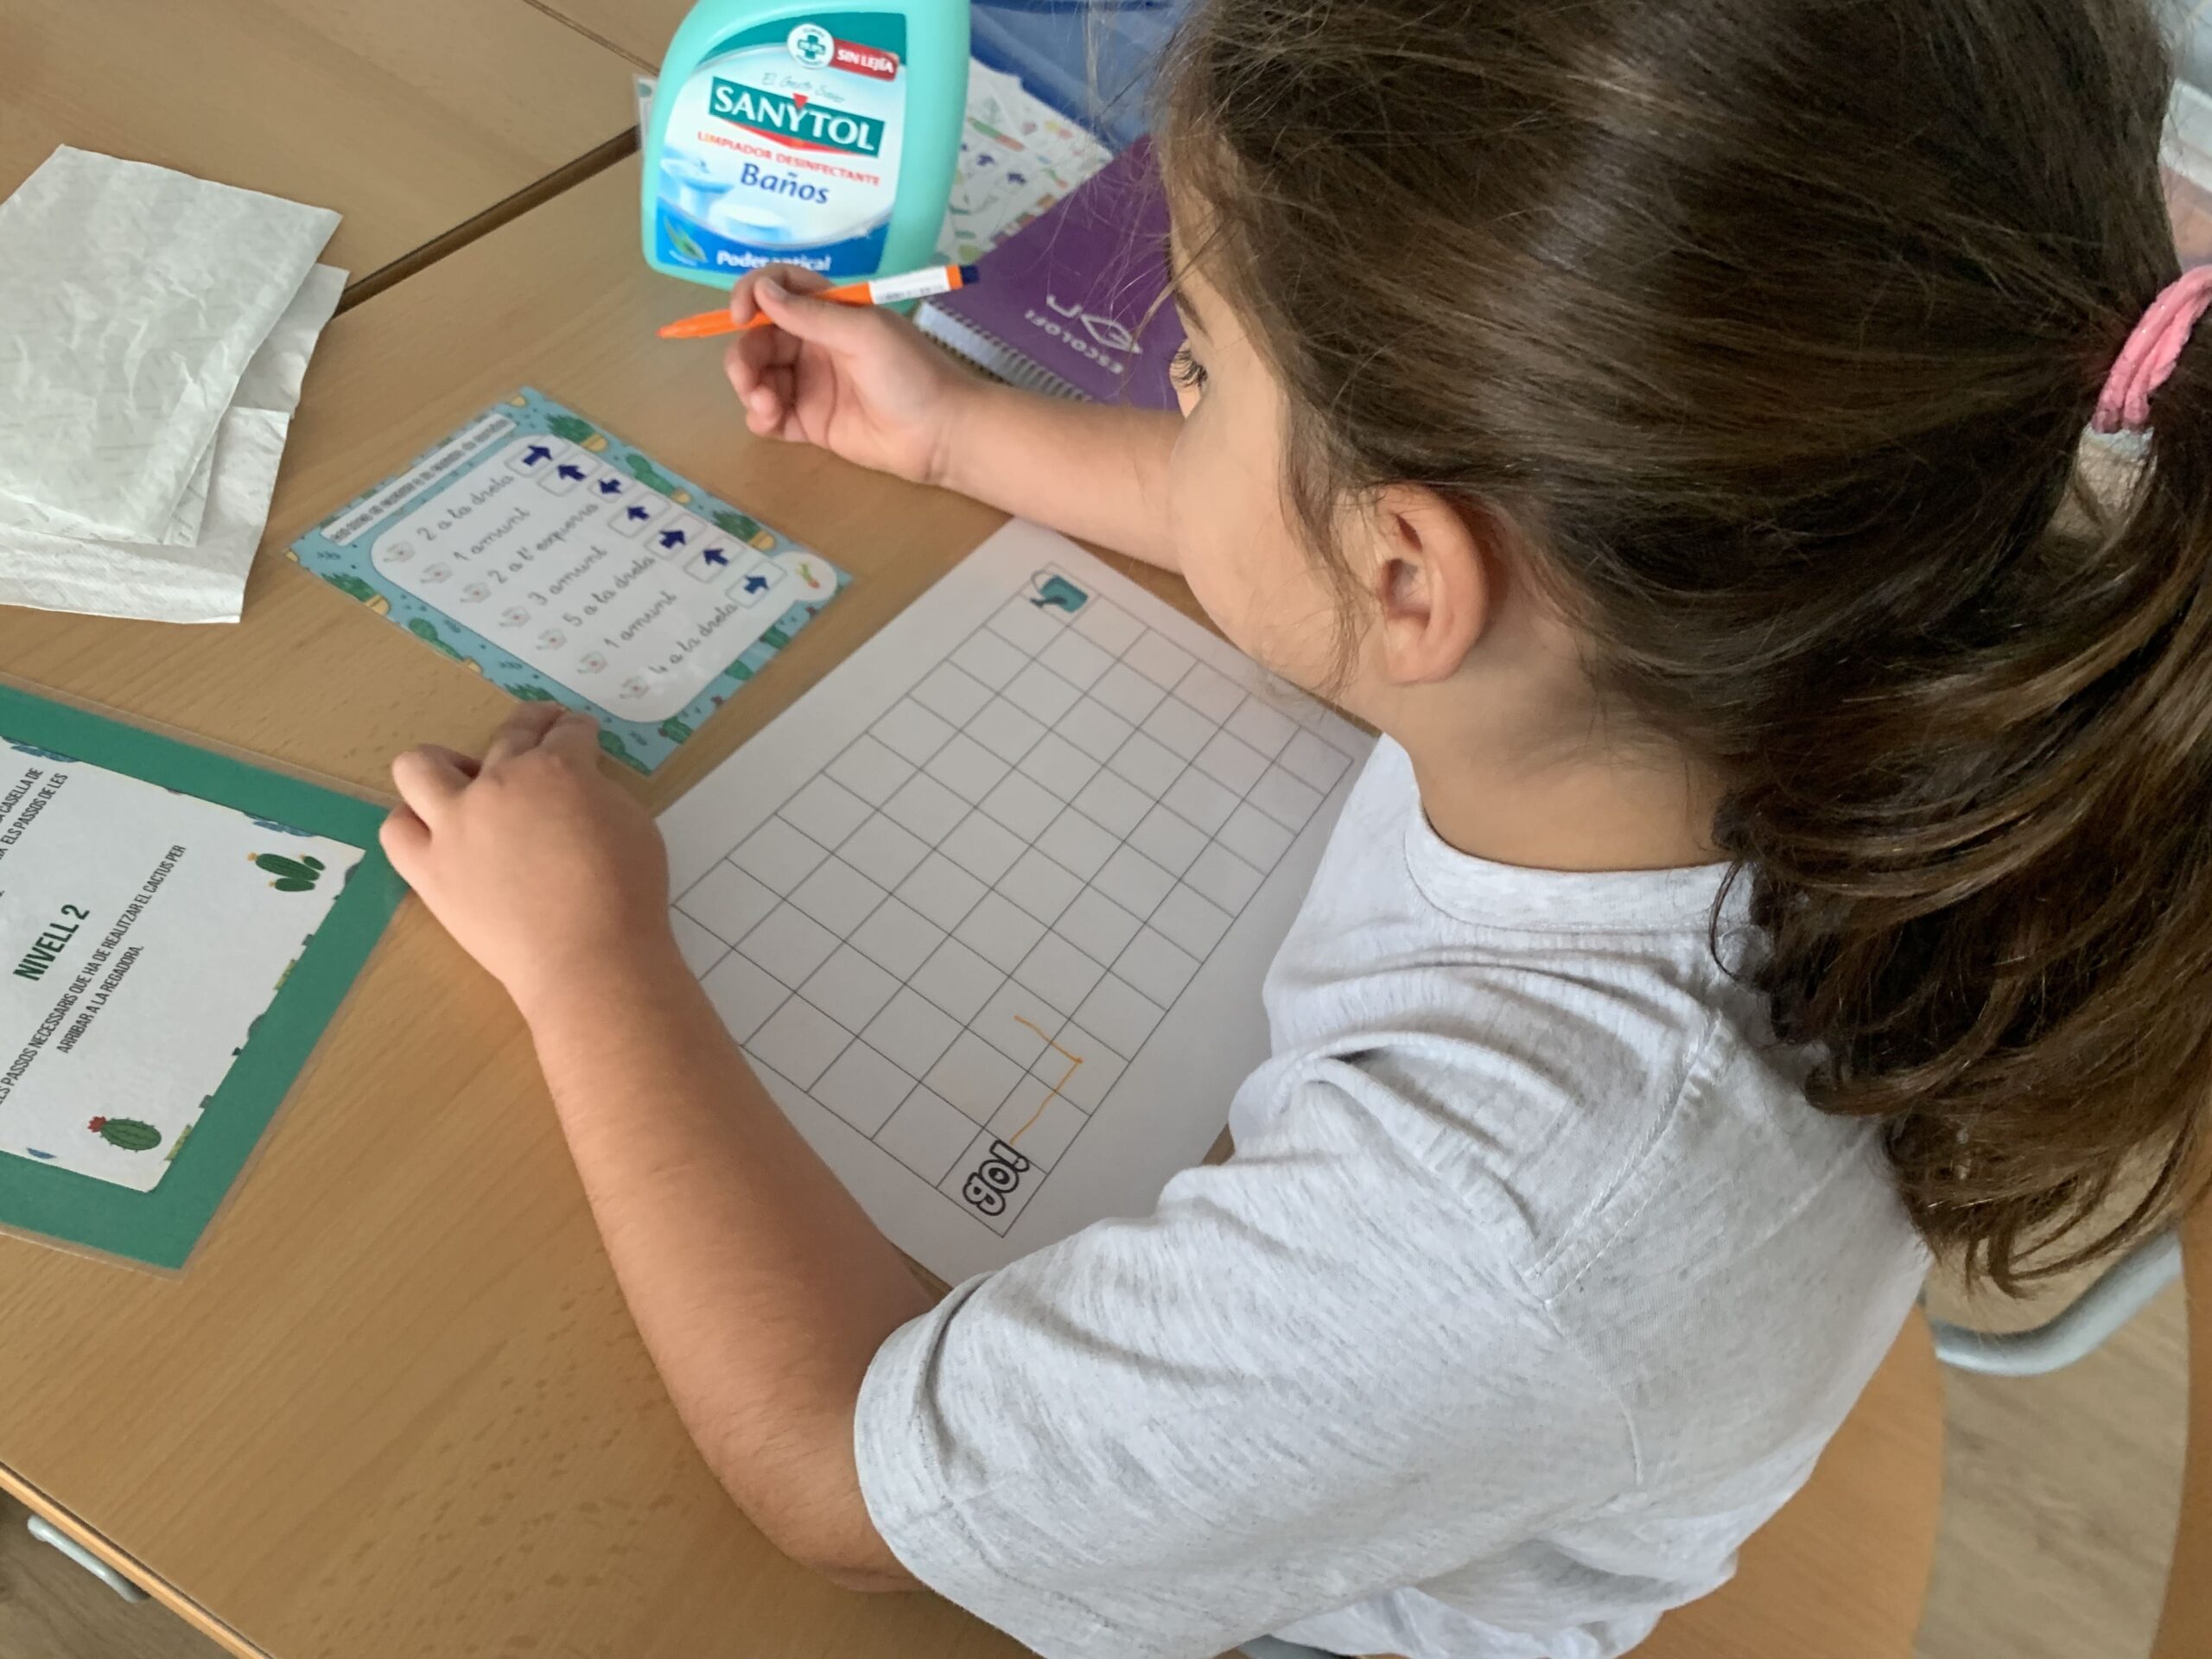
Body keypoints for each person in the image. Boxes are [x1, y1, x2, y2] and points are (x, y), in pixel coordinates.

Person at [378, 1, 2212, 1653]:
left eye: (1196, 369)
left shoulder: (1502, 1230)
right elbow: (1327, 546)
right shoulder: (1815, 644)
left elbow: (832, 1479)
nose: (1176, 401)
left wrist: (591, 954)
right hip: (1429, 1377)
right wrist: (956, 438)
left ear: (1415, 574)